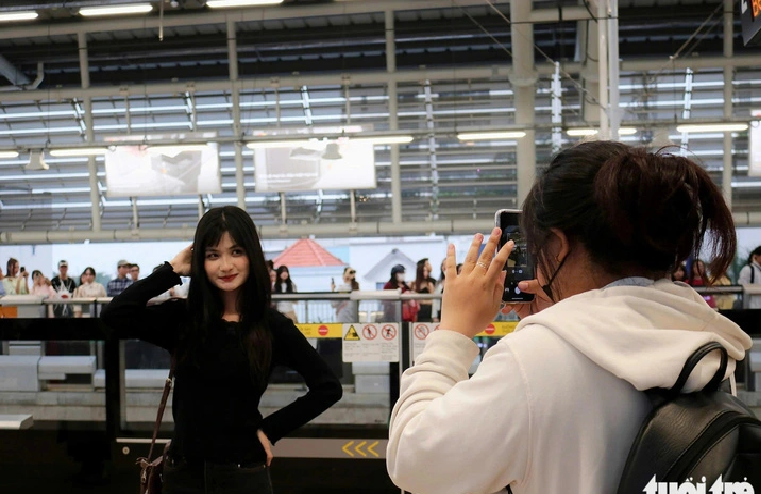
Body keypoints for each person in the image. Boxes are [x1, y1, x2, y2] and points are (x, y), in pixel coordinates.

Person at [386, 142, 752, 494]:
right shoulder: (707, 341)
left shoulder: (535, 359)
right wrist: (557, 320)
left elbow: (414, 461)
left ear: (558, 245)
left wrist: (452, 331)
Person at [101, 206, 342, 494]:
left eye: (236, 252)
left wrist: (270, 430)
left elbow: (327, 387)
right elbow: (115, 315)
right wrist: (171, 270)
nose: (226, 266)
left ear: (252, 255)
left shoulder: (271, 326)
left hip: (243, 474)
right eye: (213, 255)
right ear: (199, 261)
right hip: (182, 472)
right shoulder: (184, 318)